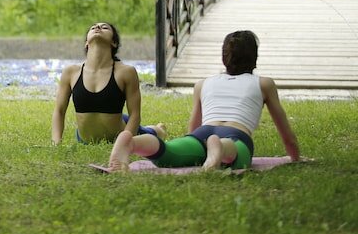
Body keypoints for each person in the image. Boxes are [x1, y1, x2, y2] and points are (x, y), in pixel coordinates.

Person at [106, 30, 301, 172]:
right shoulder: (264, 84)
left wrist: (191, 144)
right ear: (254, 58)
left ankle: (132, 143)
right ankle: (220, 148)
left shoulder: (203, 83)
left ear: (224, 57)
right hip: (236, 133)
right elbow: (285, 132)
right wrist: (295, 157)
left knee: (169, 153)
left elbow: (193, 126)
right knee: (238, 155)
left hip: (202, 133)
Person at [51, 22, 163, 144]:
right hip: (84, 138)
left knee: (150, 133)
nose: (97, 27)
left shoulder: (126, 72)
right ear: (86, 43)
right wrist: (56, 143)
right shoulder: (71, 72)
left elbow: (135, 115)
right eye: (93, 27)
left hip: (120, 132)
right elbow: (59, 111)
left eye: (104, 27)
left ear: (114, 42)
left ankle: (158, 128)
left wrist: (124, 144)